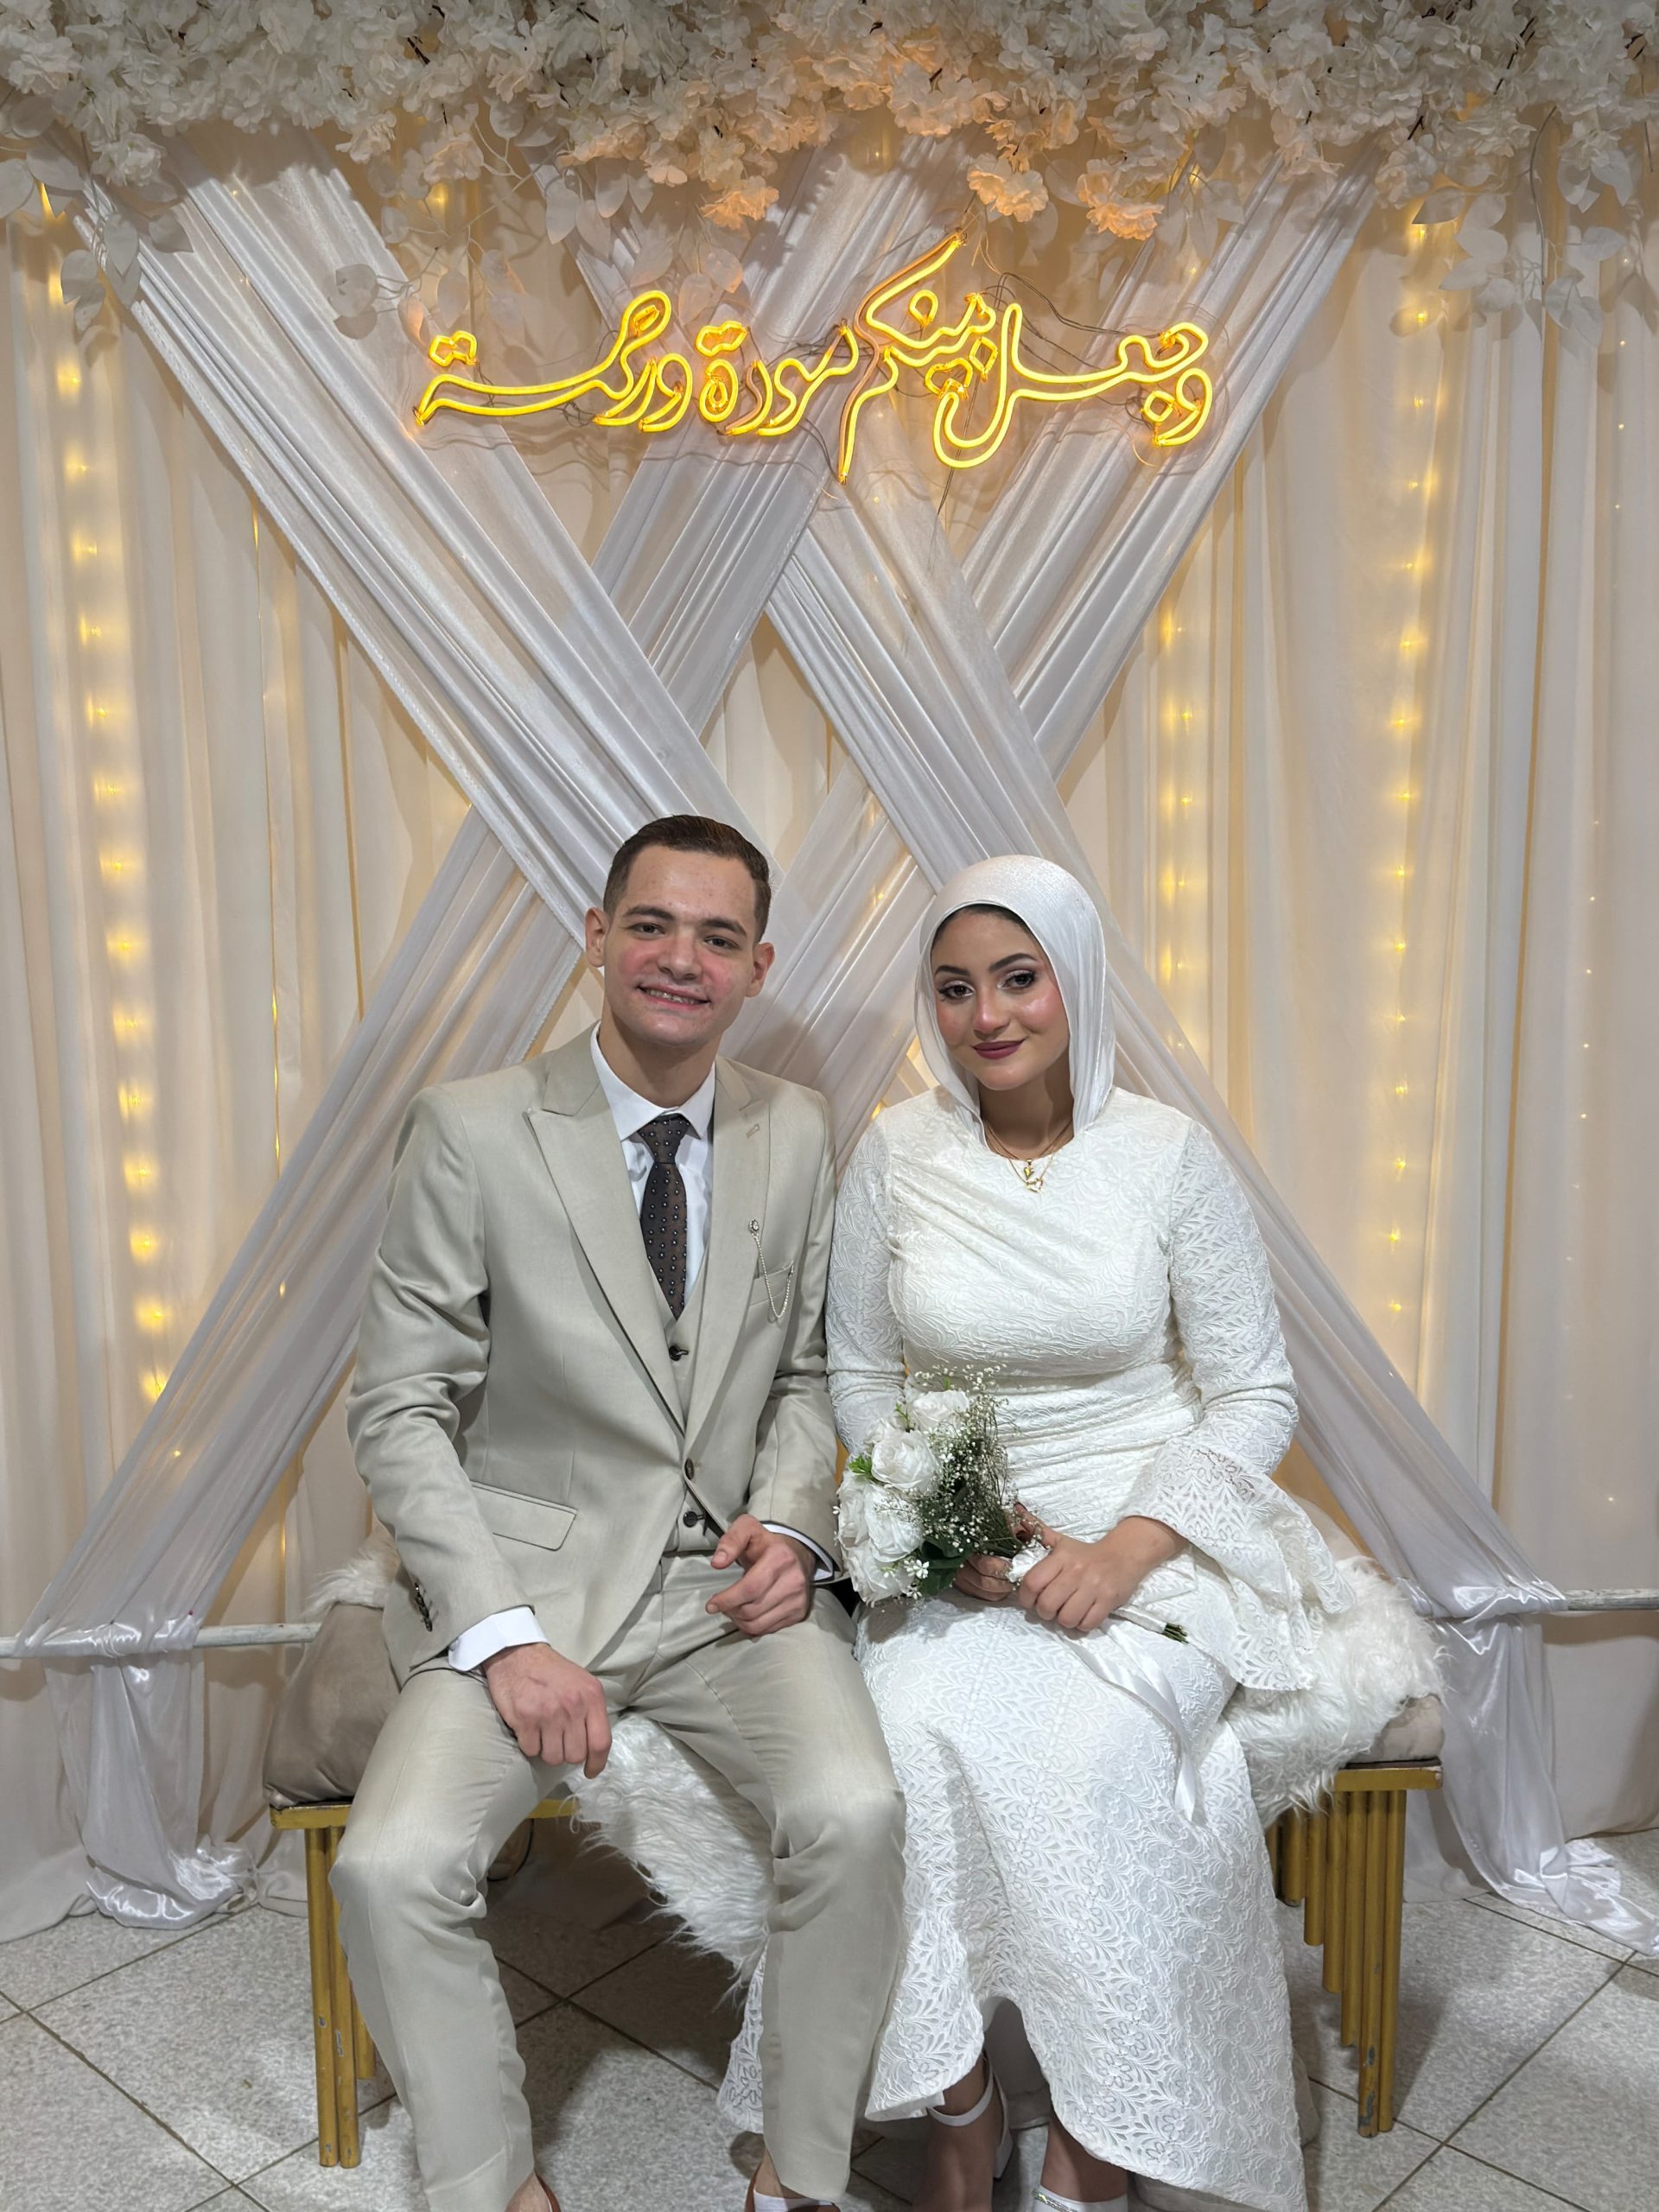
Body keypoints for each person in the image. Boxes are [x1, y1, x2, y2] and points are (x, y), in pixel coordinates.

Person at [332, 815, 905, 2212]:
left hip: (726, 1594)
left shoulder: (796, 1128)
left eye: (718, 937)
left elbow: (809, 1375)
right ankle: (492, 2187)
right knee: (392, 1866)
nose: (680, 959)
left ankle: (800, 2178)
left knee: (856, 1812)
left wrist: (794, 1526)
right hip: (527, 1588)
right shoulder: (471, 1128)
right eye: (651, 924)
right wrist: (503, 1633)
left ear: (759, 966)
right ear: (596, 937)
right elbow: (399, 1407)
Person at [825, 854, 1351, 2212]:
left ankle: (1094, 2140)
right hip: (965, 1546)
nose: (987, 1016)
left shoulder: (1166, 1154)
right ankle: (957, 2104)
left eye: (1019, 979)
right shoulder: (895, 1152)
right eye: (955, 989)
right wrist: (940, 1523)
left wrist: (1127, 1548)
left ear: (1076, 983)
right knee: (896, 1749)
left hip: (1152, 1535)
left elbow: (1254, 1391)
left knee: (1105, 1757)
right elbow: (861, 1373)